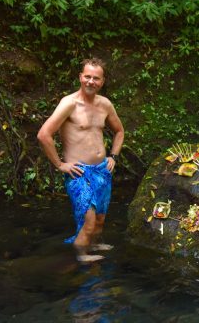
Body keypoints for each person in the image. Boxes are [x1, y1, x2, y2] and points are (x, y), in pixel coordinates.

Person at [37, 58, 124, 262]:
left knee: (100, 220)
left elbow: (119, 131)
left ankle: (93, 245)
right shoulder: (69, 104)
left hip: (103, 170)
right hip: (79, 172)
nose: (91, 81)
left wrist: (114, 156)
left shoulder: (105, 105)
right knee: (89, 221)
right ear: (80, 77)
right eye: (87, 76)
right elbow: (44, 134)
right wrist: (60, 164)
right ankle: (81, 258)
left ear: (102, 81)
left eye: (96, 78)